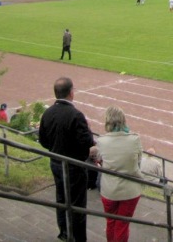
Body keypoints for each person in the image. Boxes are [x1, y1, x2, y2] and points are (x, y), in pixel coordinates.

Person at [38, 77, 95, 242]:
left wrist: (55, 149)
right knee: (77, 205)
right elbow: (87, 142)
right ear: (71, 93)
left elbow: (43, 140)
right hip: (74, 166)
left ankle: (64, 232)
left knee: (61, 198)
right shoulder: (76, 115)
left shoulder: (48, 113)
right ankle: (77, 238)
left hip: (56, 163)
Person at [97, 106, 144, 242]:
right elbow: (139, 161)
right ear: (123, 120)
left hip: (109, 190)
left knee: (111, 222)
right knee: (122, 224)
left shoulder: (101, 141)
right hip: (130, 190)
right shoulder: (134, 139)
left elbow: (100, 159)